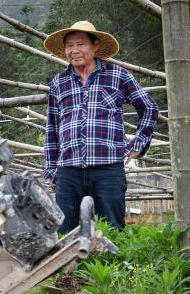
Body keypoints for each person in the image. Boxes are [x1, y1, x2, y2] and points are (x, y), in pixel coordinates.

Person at [42, 20, 159, 233]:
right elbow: (52, 128)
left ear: (95, 46)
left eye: (81, 44)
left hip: (108, 167)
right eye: (69, 46)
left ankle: (109, 256)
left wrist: (138, 144)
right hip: (68, 168)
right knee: (65, 231)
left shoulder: (118, 75)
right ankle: (72, 257)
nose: (74, 50)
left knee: (112, 228)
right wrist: (51, 169)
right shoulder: (58, 83)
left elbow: (149, 108)